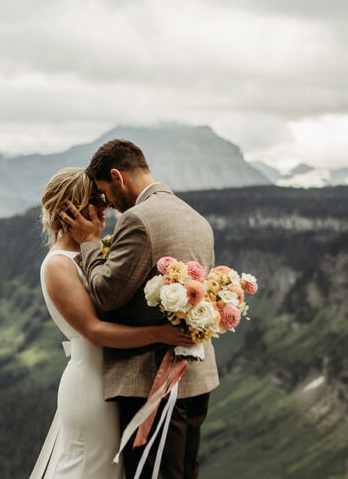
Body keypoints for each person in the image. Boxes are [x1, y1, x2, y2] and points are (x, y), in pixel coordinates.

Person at [62, 140, 219, 479]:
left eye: (105, 192)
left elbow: (105, 294)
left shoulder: (138, 220)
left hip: (153, 383)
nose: (108, 204)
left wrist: (90, 242)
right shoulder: (195, 217)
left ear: (117, 176)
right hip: (196, 376)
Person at [31, 167, 193, 479]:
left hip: (111, 381)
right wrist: (159, 332)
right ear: (70, 209)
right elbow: (94, 331)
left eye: (104, 199)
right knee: (87, 468)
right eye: (95, 201)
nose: (105, 206)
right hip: (90, 385)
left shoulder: (91, 252)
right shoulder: (58, 266)